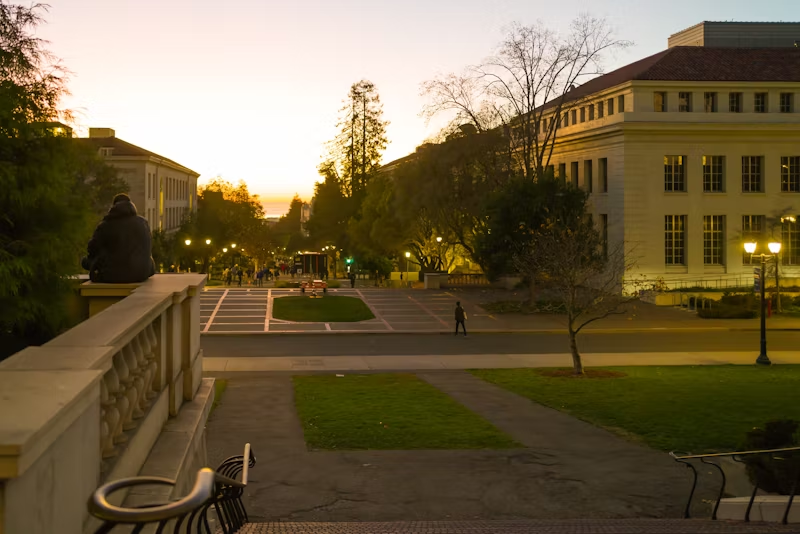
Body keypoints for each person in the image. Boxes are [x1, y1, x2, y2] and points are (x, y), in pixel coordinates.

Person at [81, 193, 155, 283]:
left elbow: (92, 249)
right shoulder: (143, 223)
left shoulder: (106, 225)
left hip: (114, 275)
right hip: (143, 273)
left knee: (86, 261)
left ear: (114, 207)